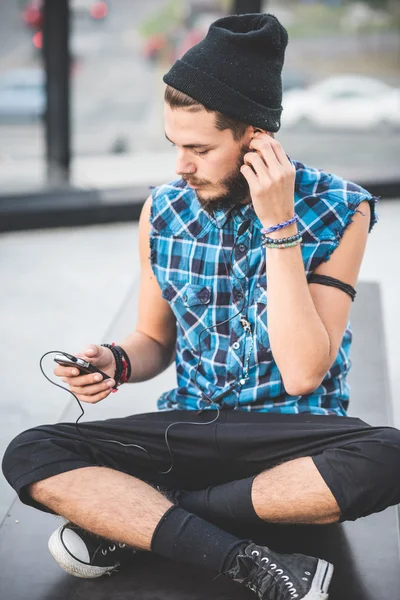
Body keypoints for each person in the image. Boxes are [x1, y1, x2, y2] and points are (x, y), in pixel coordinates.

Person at [2, 13, 400, 600]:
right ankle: (244, 557)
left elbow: (303, 373)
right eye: (175, 146)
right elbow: (154, 340)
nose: (180, 166)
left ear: (256, 139)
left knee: (388, 455)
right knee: (31, 450)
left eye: (199, 148)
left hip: (291, 441)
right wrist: (117, 360)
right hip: (187, 429)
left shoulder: (343, 209)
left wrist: (280, 228)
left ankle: (143, 520)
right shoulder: (162, 210)